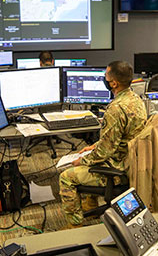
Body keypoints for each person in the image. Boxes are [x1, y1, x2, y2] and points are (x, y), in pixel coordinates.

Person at [58, 61, 147, 226]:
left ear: (114, 83)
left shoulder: (115, 109)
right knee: (90, 153)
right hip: (130, 160)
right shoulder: (135, 99)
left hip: (118, 168)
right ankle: (91, 204)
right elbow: (118, 138)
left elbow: (104, 153)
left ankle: (74, 225)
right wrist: (94, 146)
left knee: (66, 177)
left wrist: (82, 160)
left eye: (106, 77)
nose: (104, 80)